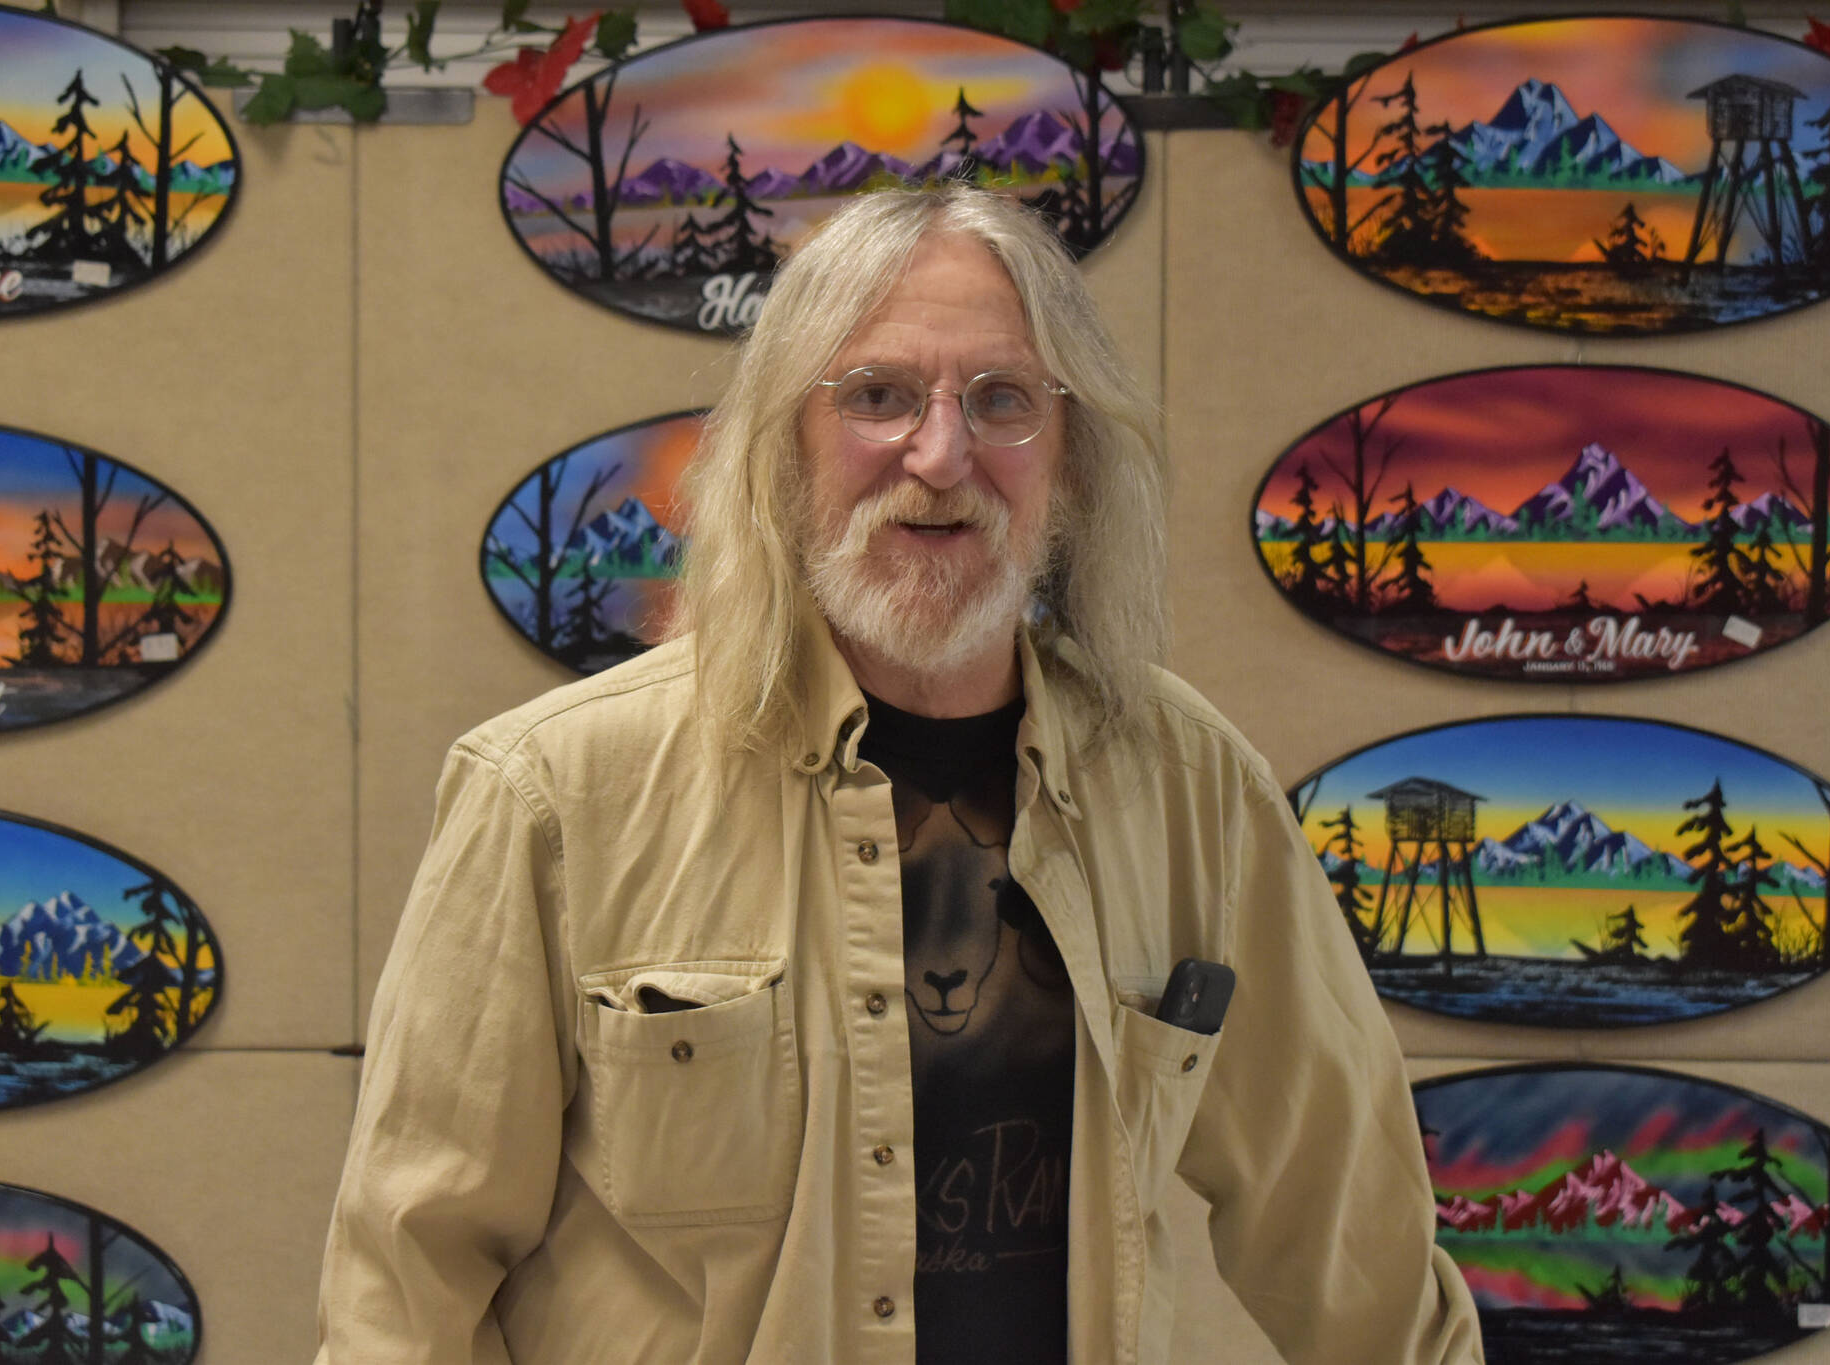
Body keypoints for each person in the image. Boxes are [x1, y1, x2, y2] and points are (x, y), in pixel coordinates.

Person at [316, 183, 1482, 1365]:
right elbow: (404, 1286)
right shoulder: (553, 793)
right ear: (786, 443)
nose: (940, 453)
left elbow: (1351, 1245)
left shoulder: (1190, 789)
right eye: (877, 396)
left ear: (1068, 459)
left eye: (1002, 400)